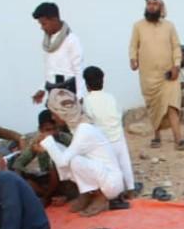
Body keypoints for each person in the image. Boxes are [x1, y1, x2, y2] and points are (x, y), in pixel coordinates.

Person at [39, 89, 125, 217]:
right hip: (104, 176)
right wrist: (48, 145)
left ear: (62, 113)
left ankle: (101, 197)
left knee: (72, 160)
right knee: (68, 156)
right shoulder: (78, 127)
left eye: (53, 113)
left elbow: (62, 162)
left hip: (111, 184)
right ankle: (87, 193)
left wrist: (47, 141)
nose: (52, 117)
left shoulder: (84, 130)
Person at [129, 0, 184, 152]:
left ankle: (179, 139)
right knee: (154, 106)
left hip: (168, 74)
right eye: (148, 4)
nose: (151, 6)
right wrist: (133, 59)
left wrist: (176, 65)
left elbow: (176, 47)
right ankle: (157, 136)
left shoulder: (169, 26)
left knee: (172, 105)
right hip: (148, 76)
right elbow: (133, 45)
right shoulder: (138, 26)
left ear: (161, 7)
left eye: (154, 4)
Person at [81, 66, 136, 196]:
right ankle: (131, 189)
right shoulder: (111, 97)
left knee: (109, 168)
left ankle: (115, 193)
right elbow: (119, 114)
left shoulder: (87, 101)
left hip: (103, 140)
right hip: (118, 135)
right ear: (103, 81)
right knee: (124, 162)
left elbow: (89, 120)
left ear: (86, 84)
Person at [9, 110, 75, 207]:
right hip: (49, 180)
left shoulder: (66, 139)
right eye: (48, 130)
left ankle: (53, 197)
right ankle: (49, 195)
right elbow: (19, 164)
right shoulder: (37, 142)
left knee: (54, 166)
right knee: (19, 176)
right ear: (41, 129)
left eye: (55, 129)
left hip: (68, 178)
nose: (52, 133)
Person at [31, 2, 85, 103]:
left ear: (54, 20)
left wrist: (79, 96)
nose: (42, 28)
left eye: (44, 24)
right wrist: (42, 88)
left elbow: (78, 70)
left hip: (68, 91)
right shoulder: (48, 42)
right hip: (52, 91)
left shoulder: (71, 40)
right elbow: (50, 69)